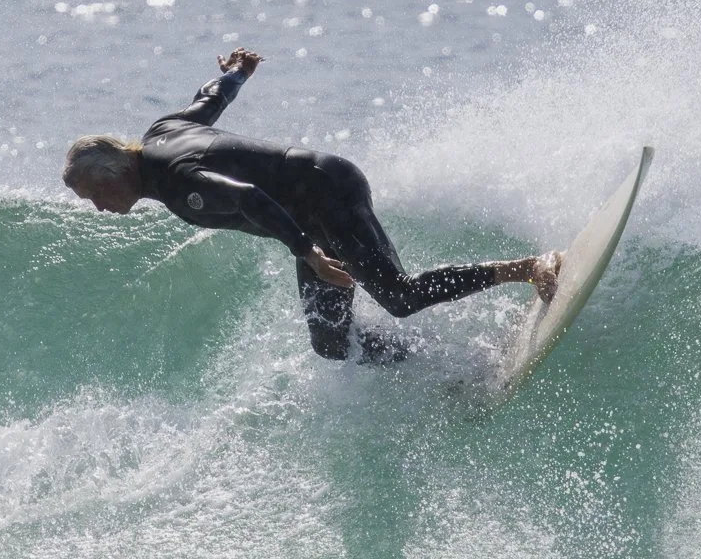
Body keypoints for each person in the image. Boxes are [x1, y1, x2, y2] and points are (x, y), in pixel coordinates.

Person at [63, 48, 559, 363]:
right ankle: (444, 365)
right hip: (308, 214)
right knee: (330, 342)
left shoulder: (174, 178)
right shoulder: (160, 134)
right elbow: (208, 100)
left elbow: (248, 198)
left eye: (95, 196)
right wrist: (237, 71)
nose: (100, 208)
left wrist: (309, 253)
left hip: (327, 190)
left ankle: (528, 268)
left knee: (399, 297)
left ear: (116, 171)